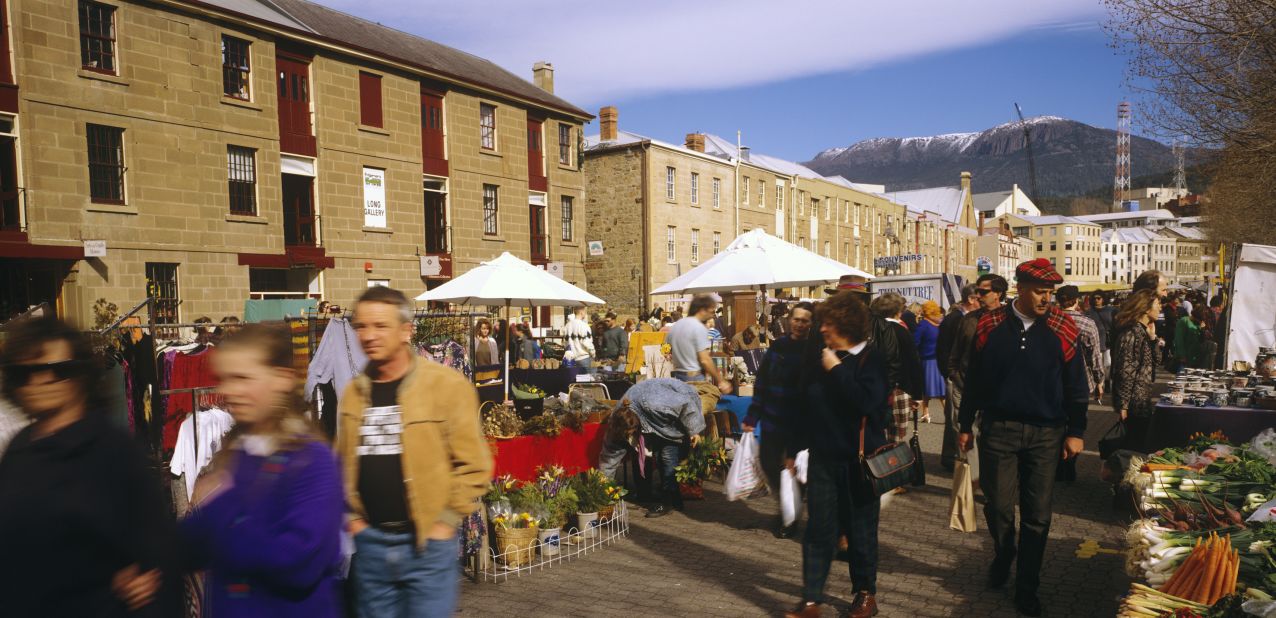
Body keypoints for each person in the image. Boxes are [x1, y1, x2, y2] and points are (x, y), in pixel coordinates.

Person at [0, 316, 176, 617]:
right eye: (26, 372)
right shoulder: (20, 449)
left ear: (82, 375)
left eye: (60, 370)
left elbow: (159, 564)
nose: (42, 381)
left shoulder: (114, 452)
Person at [339, 286, 493, 617]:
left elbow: (476, 465)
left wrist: (445, 522)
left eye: (380, 326)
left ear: (406, 330)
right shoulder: (353, 393)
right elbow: (345, 464)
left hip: (426, 547)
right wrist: (354, 521)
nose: (369, 335)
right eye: (361, 326)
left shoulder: (446, 386)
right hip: (371, 546)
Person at [179, 324, 343, 617]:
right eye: (225, 379)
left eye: (242, 378)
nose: (228, 390)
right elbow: (192, 545)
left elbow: (298, 562)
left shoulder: (312, 460)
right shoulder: (240, 452)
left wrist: (222, 512)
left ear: (282, 379)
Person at [957, 259, 1089, 617]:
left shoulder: (1063, 327)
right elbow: (975, 381)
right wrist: (965, 424)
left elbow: (1077, 386)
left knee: (1038, 515)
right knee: (998, 506)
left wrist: (1076, 432)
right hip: (999, 429)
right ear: (1021, 288)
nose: (1047, 299)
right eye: (1040, 292)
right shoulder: (990, 324)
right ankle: (1004, 553)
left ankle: (1027, 586)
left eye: (1050, 292)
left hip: (1047, 434)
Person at [785, 292, 889, 618]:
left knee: (860, 532)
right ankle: (812, 601)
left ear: (845, 326)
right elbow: (805, 405)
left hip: (860, 462)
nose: (822, 329)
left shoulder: (872, 360)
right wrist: (792, 449)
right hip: (823, 460)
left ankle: (865, 595)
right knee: (818, 531)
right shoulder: (821, 357)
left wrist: (837, 371)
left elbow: (868, 405)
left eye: (828, 323)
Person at [741, 301, 814, 538]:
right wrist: (753, 415)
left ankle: (791, 516)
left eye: (805, 320)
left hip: (801, 420)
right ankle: (788, 506)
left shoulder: (815, 349)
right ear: (789, 319)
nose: (800, 324)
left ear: (811, 324)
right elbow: (762, 381)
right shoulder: (778, 346)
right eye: (796, 319)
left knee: (797, 469)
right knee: (769, 463)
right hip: (773, 417)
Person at [608, 378, 706, 518]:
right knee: (659, 456)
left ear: (635, 425)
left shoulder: (655, 405)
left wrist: (694, 431)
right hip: (658, 412)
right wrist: (603, 486)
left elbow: (686, 404)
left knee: (667, 457)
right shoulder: (619, 414)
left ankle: (666, 503)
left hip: (681, 404)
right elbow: (610, 453)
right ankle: (676, 501)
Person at [869, 292, 923, 443]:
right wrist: (918, 395)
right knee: (895, 439)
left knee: (877, 435)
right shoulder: (901, 331)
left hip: (875, 389)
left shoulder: (870, 328)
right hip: (899, 389)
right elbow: (914, 363)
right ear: (898, 311)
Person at [1112, 289, 1162, 452]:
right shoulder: (1131, 334)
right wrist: (1123, 405)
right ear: (1146, 309)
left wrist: (1153, 338)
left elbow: (1157, 361)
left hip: (1142, 401)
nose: (1160, 308)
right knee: (1133, 447)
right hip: (1134, 404)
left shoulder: (1143, 332)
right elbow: (1125, 372)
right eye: (1157, 304)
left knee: (1138, 446)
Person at [936, 284, 980, 469]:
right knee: (958, 421)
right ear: (971, 299)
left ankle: (948, 457)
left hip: (957, 376)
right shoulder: (956, 319)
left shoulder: (960, 318)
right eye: (980, 296)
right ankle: (964, 464)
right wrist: (950, 374)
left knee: (952, 418)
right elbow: (945, 350)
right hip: (956, 378)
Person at [666, 294, 732, 394]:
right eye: (711, 312)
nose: (712, 315)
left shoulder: (676, 326)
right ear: (702, 310)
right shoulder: (698, 327)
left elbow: (666, 351)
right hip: (694, 377)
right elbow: (705, 360)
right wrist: (721, 380)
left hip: (677, 376)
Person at [914, 300, 945, 424]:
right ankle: (931, 413)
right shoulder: (940, 323)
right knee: (939, 390)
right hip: (939, 358)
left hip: (927, 360)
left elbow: (915, 342)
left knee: (928, 388)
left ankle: (928, 413)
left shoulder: (923, 325)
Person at [1174, 305, 1207, 370]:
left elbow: (1201, 340)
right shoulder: (1184, 321)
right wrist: (1182, 355)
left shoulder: (1199, 324)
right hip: (1185, 357)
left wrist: (1202, 330)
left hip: (1195, 358)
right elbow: (1179, 339)